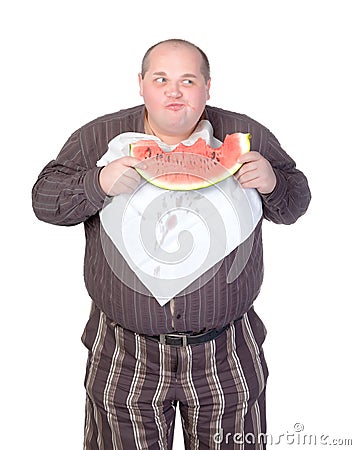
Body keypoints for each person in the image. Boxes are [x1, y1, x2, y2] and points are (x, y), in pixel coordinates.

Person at [32, 39, 311, 449]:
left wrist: (274, 183)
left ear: (208, 87)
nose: (174, 91)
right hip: (123, 350)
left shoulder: (246, 135)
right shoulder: (98, 138)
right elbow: (44, 201)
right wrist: (97, 183)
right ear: (141, 84)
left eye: (188, 80)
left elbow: (296, 203)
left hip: (228, 348)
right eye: (161, 79)